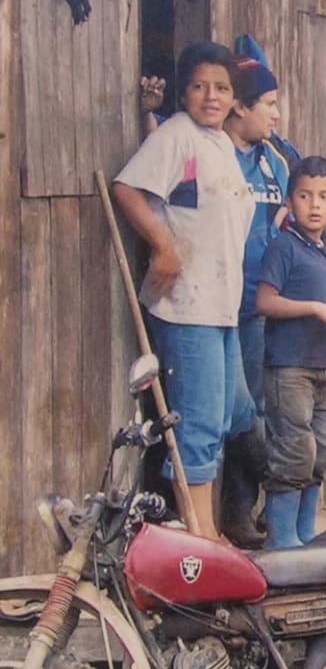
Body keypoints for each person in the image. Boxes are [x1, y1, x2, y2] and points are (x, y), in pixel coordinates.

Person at [113, 40, 255, 541]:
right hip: (187, 306)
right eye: (198, 86)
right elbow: (128, 188)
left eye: (220, 88)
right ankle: (201, 539)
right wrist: (163, 245)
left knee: (232, 413)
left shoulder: (220, 144)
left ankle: (205, 527)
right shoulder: (177, 134)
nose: (209, 96)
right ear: (184, 91)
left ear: (235, 98)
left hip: (222, 309)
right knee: (197, 421)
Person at [256, 157, 326, 549]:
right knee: (293, 450)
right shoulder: (284, 247)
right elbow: (265, 302)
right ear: (290, 201)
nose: (314, 205)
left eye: (323, 197)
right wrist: (314, 309)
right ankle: (282, 540)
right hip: (289, 367)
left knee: (323, 449)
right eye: (304, 196)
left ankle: (306, 533)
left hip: (323, 366)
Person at [217, 40, 295, 548]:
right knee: (233, 410)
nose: (275, 113)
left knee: (260, 408)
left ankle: (241, 513)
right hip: (217, 303)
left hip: (260, 307)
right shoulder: (216, 152)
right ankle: (284, 478)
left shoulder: (276, 162)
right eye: (267, 104)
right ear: (240, 107)